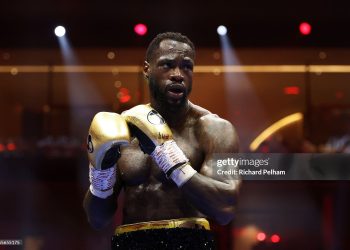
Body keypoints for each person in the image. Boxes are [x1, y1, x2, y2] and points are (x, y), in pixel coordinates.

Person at [83, 32, 240, 249]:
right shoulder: (122, 130)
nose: (178, 74)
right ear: (147, 70)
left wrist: (168, 156)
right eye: (167, 65)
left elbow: (224, 210)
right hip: (130, 242)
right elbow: (97, 220)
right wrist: (102, 173)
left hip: (190, 242)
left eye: (186, 66)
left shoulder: (215, 130)